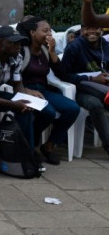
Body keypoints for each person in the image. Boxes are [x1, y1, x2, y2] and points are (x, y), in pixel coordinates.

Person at [0, 26, 43, 168]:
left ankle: (26, 156)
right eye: (13, 43)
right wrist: (12, 104)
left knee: (25, 109)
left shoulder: (17, 57)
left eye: (19, 43)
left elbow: (17, 84)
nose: (18, 46)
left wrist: (23, 100)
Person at [16, 16, 80, 165]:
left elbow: (61, 74)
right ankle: (31, 143)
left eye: (50, 30)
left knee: (72, 108)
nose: (49, 34)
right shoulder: (22, 50)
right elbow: (12, 75)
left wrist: (52, 53)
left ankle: (49, 145)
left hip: (43, 90)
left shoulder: (45, 50)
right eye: (45, 30)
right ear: (32, 32)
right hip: (25, 90)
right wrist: (25, 89)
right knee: (49, 113)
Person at [60, 24, 109, 156]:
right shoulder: (74, 46)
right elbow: (63, 75)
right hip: (79, 89)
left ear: (102, 30)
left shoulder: (106, 46)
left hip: (103, 87)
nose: (92, 31)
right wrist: (91, 79)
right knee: (95, 104)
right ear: (82, 31)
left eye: (96, 28)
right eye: (88, 28)